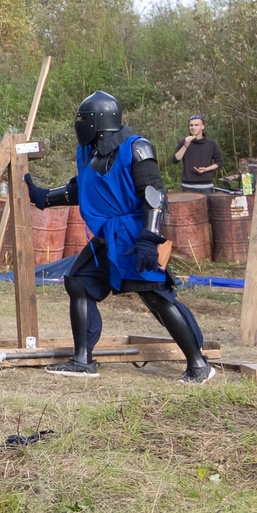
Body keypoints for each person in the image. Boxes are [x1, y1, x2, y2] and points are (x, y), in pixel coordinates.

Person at [27, 92, 212, 382]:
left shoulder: (137, 147)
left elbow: (154, 194)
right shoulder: (89, 152)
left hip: (133, 237)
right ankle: (82, 360)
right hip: (106, 237)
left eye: (84, 119)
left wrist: (149, 239)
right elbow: (83, 188)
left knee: (157, 298)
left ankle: (199, 365)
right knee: (79, 282)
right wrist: (43, 197)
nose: (81, 124)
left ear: (99, 121)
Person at [173, 115, 223, 191]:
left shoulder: (211, 144)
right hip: (187, 187)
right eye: (191, 125)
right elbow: (175, 160)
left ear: (202, 127)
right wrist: (185, 145)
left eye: (196, 125)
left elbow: (219, 163)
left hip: (206, 186)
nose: (193, 127)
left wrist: (206, 169)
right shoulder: (183, 142)